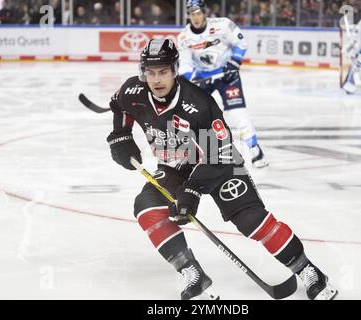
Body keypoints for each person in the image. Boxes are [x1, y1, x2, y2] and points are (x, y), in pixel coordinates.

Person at [106, 38, 338, 300]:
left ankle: (308, 271)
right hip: (176, 164)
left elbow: (219, 152)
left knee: (251, 221)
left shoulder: (199, 103)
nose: (156, 79)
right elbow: (119, 107)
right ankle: (191, 272)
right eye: (150, 72)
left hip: (220, 163)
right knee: (146, 206)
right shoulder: (133, 92)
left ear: (175, 70)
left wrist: (192, 190)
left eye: (163, 72)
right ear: (142, 72)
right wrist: (120, 135)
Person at [177, 0, 268, 169]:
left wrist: (234, 63)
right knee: (193, 114)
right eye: (192, 14)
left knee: (237, 112)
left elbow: (240, 43)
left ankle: (255, 149)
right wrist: (185, 79)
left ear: (204, 13)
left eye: (198, 13)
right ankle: (192, 152)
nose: (195, 18)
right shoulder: (183, 37)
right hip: (204, 79)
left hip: (227, 75)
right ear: (188, 16)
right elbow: (186, 64)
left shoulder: (223, 25)